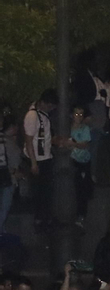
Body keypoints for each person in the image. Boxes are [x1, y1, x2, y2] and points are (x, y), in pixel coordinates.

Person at [22, 90, 56, 229]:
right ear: (42, 103)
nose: (51, 109)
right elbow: (29, 141)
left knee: (46, 191)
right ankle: (39, 220)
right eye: (49, 106)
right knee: (40, 192)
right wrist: (33, 163)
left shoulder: (42, 114)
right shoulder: (33, 116)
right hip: (37, 159)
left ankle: (45, 219)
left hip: (44, 156)